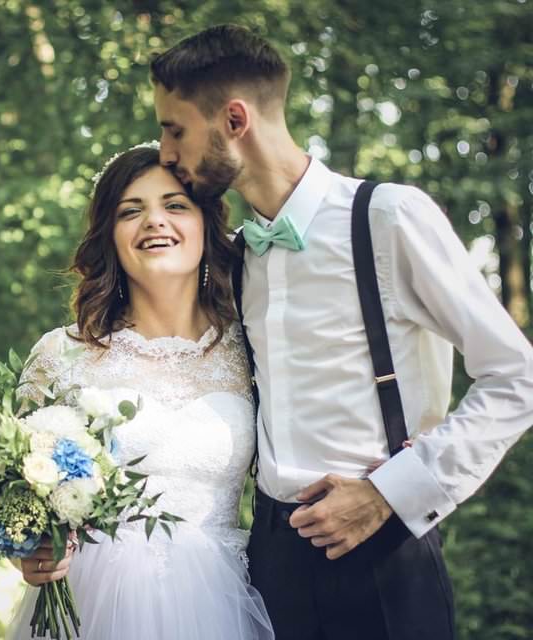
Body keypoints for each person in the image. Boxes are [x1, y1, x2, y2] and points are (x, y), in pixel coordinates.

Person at [150, 24, 533, 640]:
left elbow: (518, 376)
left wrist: (389, 494)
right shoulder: (238, 254)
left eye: (175, 129)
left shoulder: (388, 218)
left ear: (234, 119)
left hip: (384, 556)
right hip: (268, 562)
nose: (166, 152)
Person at [5, 144, 274, 639]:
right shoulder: (59, 355)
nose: (154, 221)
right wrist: (35, 548)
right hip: (92, 607)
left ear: (205, 224)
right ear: (110, 236)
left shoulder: (254, 349)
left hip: (220, 608)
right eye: (131, 211)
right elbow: (21, 503)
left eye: (175, 205)